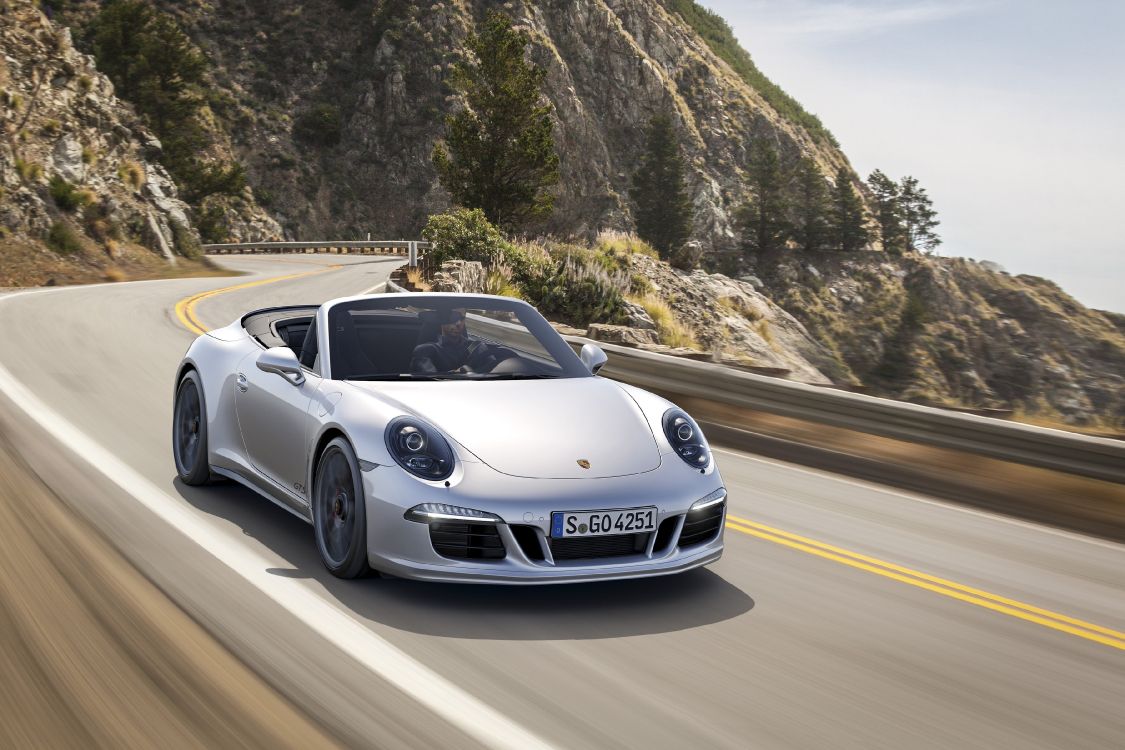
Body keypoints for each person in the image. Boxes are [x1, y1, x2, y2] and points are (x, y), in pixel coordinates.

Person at [410, 308, 501, 374]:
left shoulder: (478, 347)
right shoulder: (425, 350)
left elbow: (495, 373)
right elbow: (428, 382)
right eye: (454, 318)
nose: (458, 323)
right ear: (442, 320)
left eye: (462, 318)